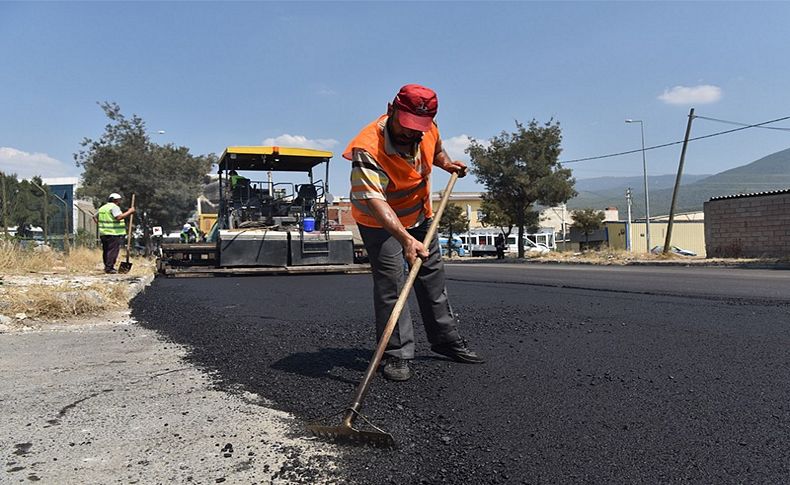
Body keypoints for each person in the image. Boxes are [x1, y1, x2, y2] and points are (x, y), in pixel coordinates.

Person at [344, 83, 484, 382]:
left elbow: (437, 150)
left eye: (418, 128)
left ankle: (446, 341)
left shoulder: (427, 128)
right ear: (391, 109)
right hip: (379, 221)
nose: (412, 134)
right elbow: (374, 200)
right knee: (392, 284)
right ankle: (396, 354)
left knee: (433, 278)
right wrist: (405, 239)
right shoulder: (367, 147)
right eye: (406, 126)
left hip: (420, 215)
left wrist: (447, 164)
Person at [95, 193, 135, 274]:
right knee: (113, 251)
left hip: (104, 233)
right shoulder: (114, 207)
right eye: (119, 200)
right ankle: (109, 268)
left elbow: (94, 217)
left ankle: (107, 267)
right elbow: (119, 217)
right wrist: (130, 211)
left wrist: (101, 225)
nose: (120, 201)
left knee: (106, 251)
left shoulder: (103, 208)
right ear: (115, 200)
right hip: (114, 233)